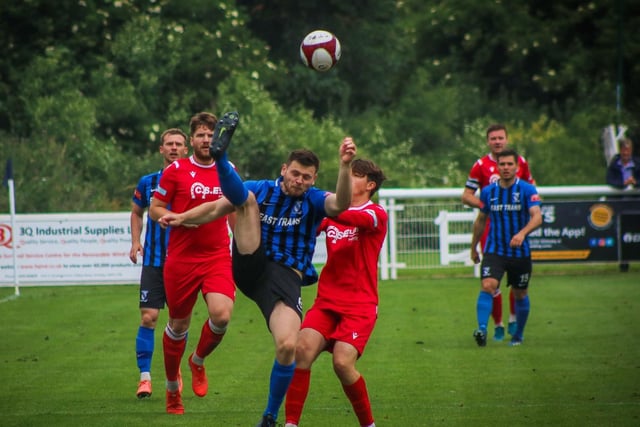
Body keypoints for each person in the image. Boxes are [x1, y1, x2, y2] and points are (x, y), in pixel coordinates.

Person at [158, 111, 356, 426]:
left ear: (314, 179)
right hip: (251, 261)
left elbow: (341, 205)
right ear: (284, 170)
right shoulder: (263, 188)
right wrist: (182, 218)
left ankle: (269, 416)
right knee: (247, 199)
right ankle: (222, 158)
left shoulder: (315, 200)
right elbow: (216, 207)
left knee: (288, 345)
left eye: (306, 177)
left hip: (283, 280)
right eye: (294, 174)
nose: (299, 181)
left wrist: (345, 167)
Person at [284, 159, 387, 427]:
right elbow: (303, 228)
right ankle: (291, 424)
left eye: (354, 176)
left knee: (342, 363)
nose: (347, 180)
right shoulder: (332, 214)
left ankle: (369, 424)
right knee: (301, 351)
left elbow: (343, 214)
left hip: (360, 306)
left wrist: (319, 203)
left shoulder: (375, 214)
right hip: (327, 302)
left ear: (370, 184)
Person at [148, 112, 237, 415]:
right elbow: (155, 208)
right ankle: (173, 389)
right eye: (200, 134)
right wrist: (166, 218)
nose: (206, 139)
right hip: (182, 260)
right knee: (178, 324)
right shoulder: (175, 171)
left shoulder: (228, 169)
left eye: (211, 134)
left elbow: (235, 208)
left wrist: (245, 247)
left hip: (217, 257)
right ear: (192, 140)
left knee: (222, 316)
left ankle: (197, 361)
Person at [461, 123, 535, 341]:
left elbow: (532, 190)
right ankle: (495, 325)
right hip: (492, 229)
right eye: (493, 139)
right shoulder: (481, 165)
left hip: (516, 229)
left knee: (518, 285)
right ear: (488, 141)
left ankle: (514, 321)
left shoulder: (520, 162)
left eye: (501, 138)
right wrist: (488, 206)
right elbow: (466, 195)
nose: (497, 142)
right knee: (490, 281)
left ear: (507, 139)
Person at [129, 128, 188, 399]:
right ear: (161, 149)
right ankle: (145, 378)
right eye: (169, 144)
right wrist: (135, 241)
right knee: (149, 317)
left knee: (178, 323)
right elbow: (136, 212)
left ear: (185, 150)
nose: (174, 147)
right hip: (154, 262)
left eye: (179, 144)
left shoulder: (191, 181)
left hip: (183, 261)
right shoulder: (147, 182)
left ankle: (173, 371)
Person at [606, 137, 640, 272]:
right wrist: (623, 184)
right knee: (621, 232)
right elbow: (610, 180)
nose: (626, 153)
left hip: (635, 202)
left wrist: (635, 182)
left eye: (628, 150)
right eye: (624, 150)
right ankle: (624, 262)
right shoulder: (614, 164)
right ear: (620, 150)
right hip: (620, 202)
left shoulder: (637, 163)